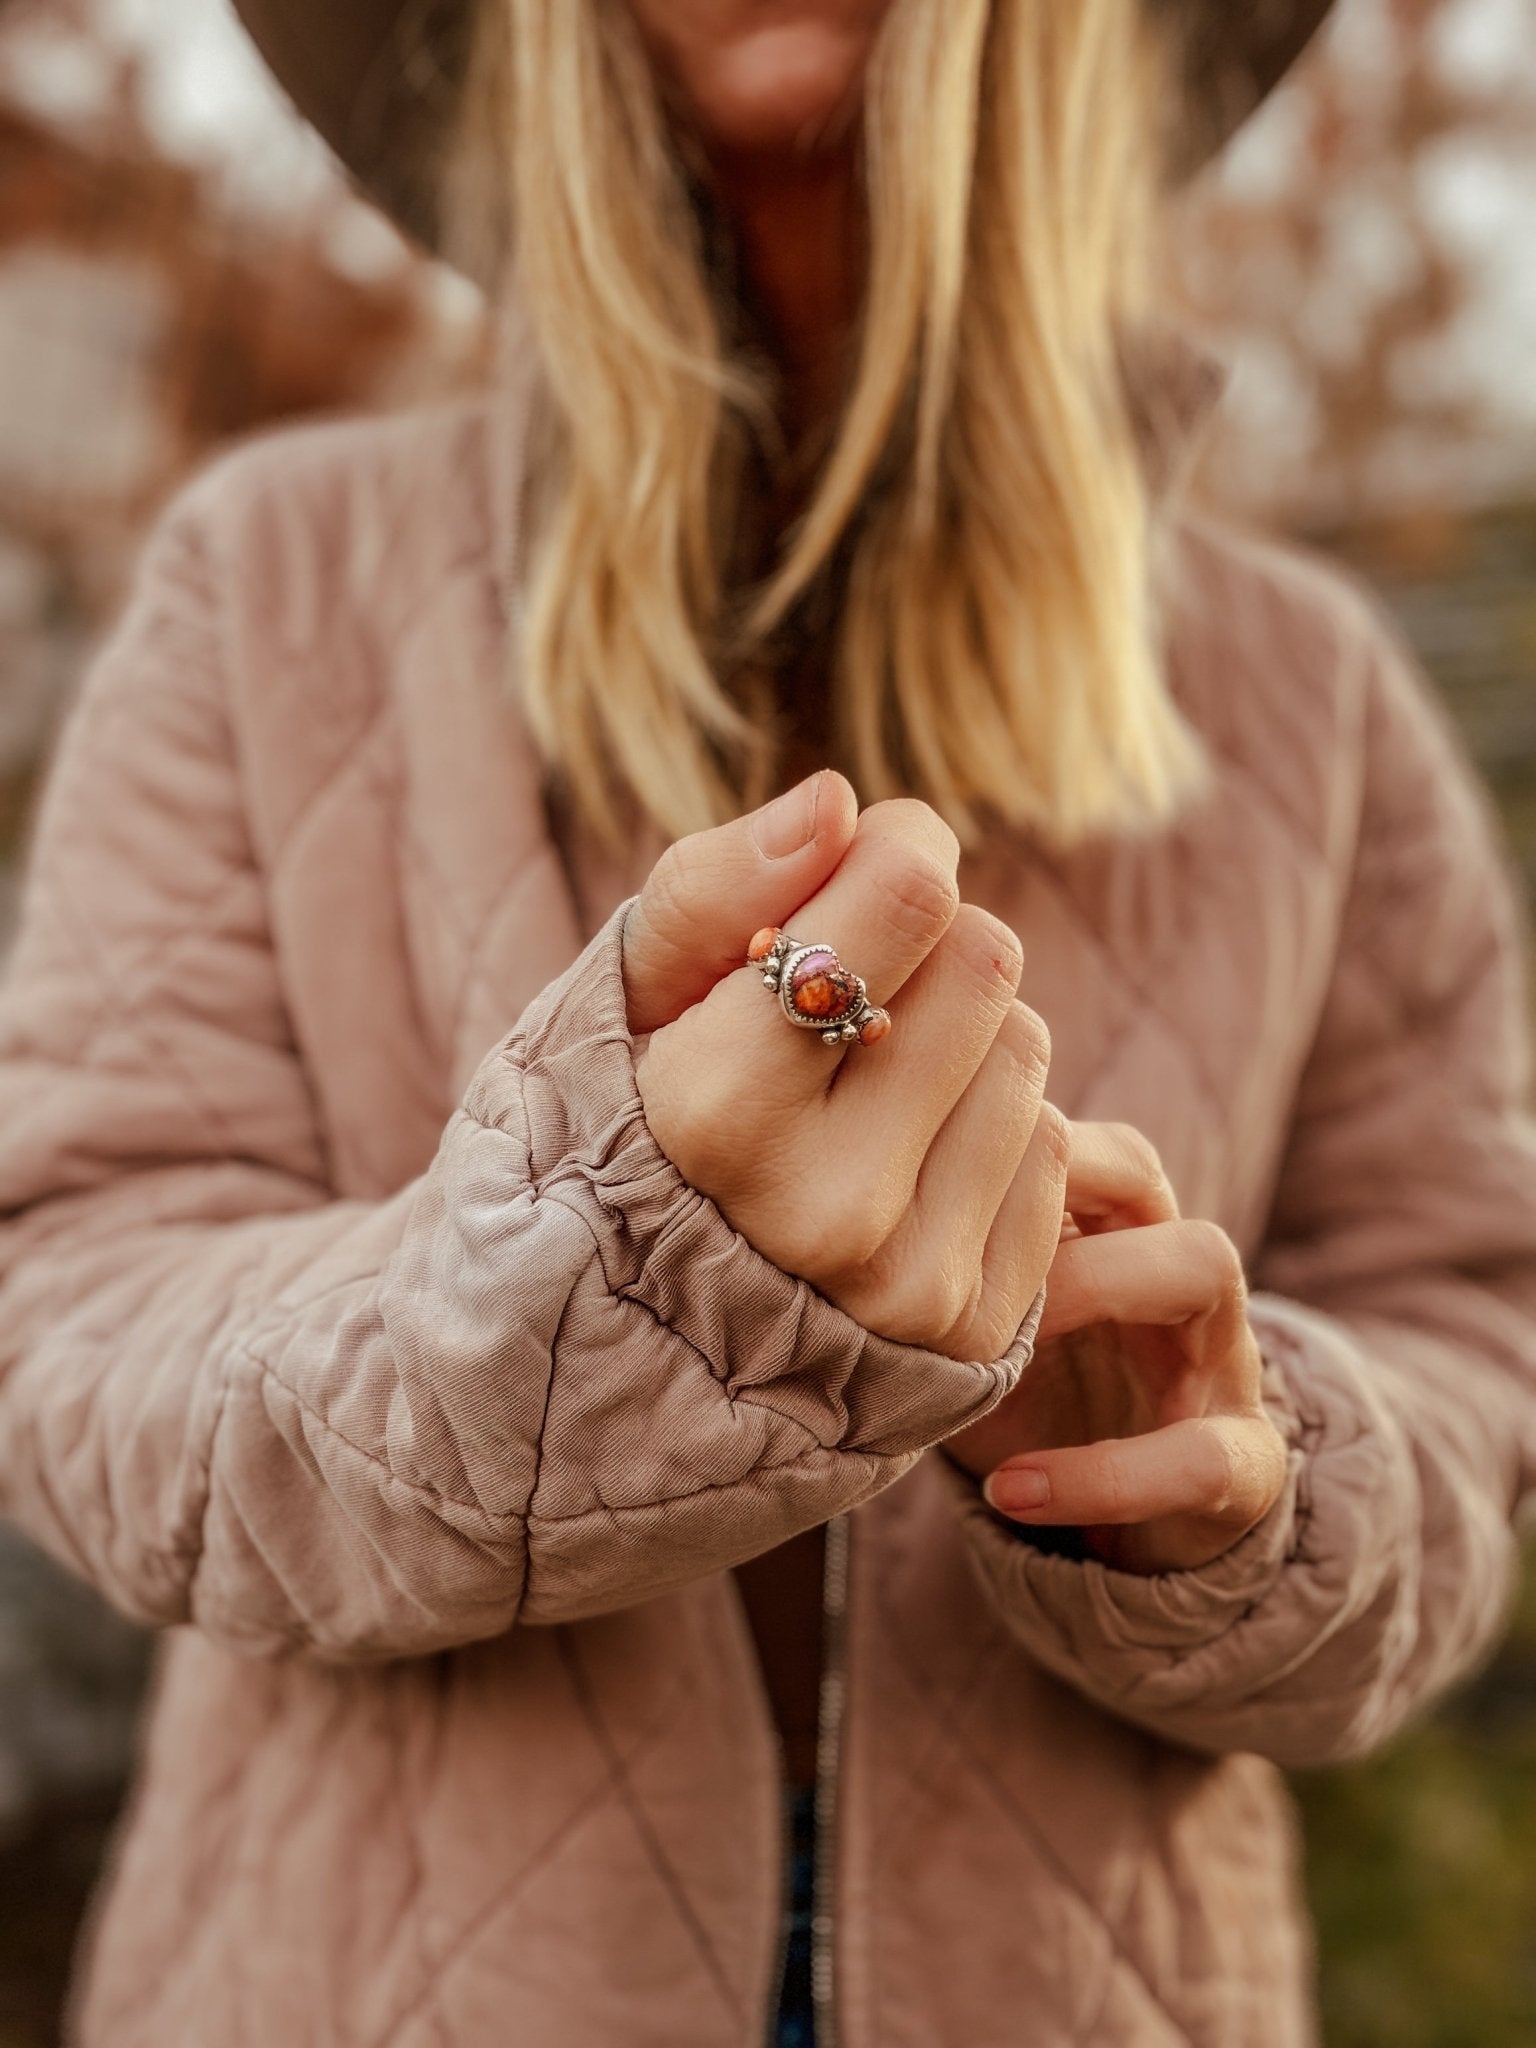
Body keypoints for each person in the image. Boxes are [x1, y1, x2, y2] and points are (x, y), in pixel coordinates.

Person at [0, 0, 1533, 2041]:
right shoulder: (267, 587)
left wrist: (1248, 1481)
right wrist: (593, 1269)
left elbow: (1470, 1352)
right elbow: (78, 1322)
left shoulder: (1310, 697)